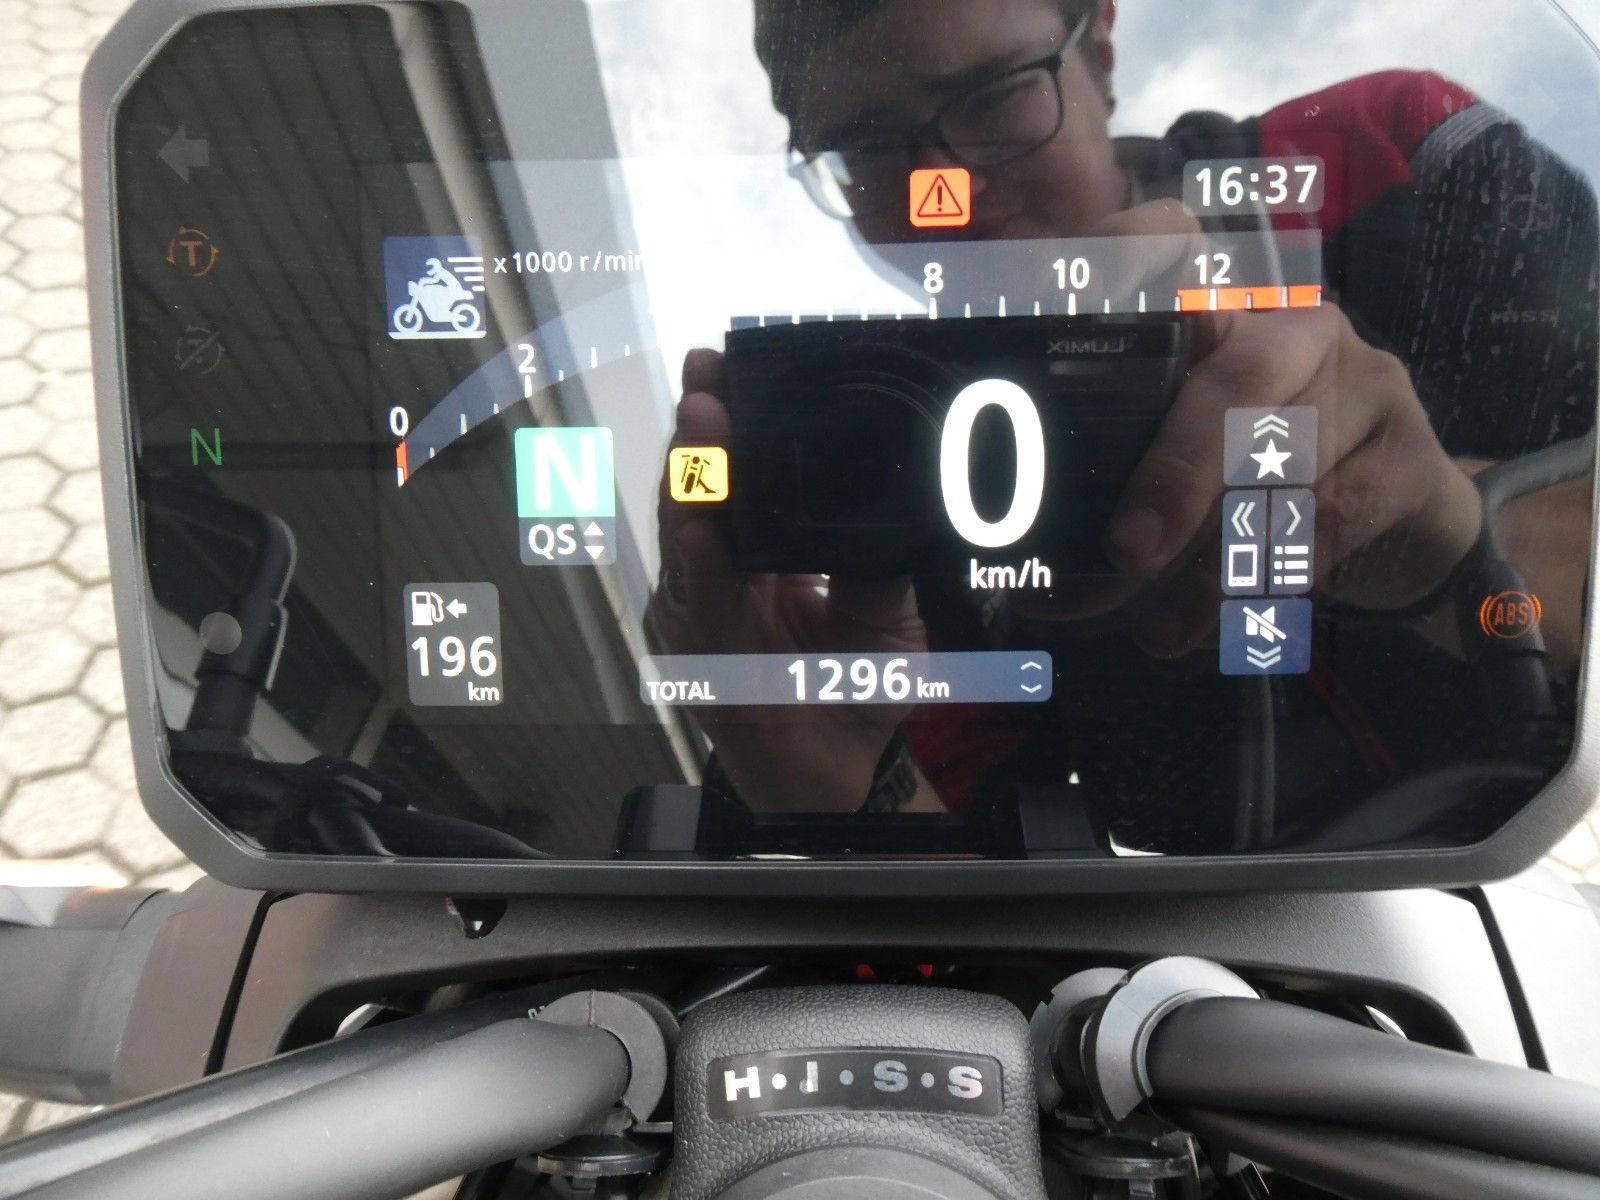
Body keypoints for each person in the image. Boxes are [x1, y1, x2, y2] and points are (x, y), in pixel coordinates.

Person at [650, 0, 1597, 850]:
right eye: (868, 149)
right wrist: (821, 774)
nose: (948, 192)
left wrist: (1453, 538)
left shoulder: (1392, 151)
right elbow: (988, 925)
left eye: (995, 96)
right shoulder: (901, 496)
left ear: (1100, 48)